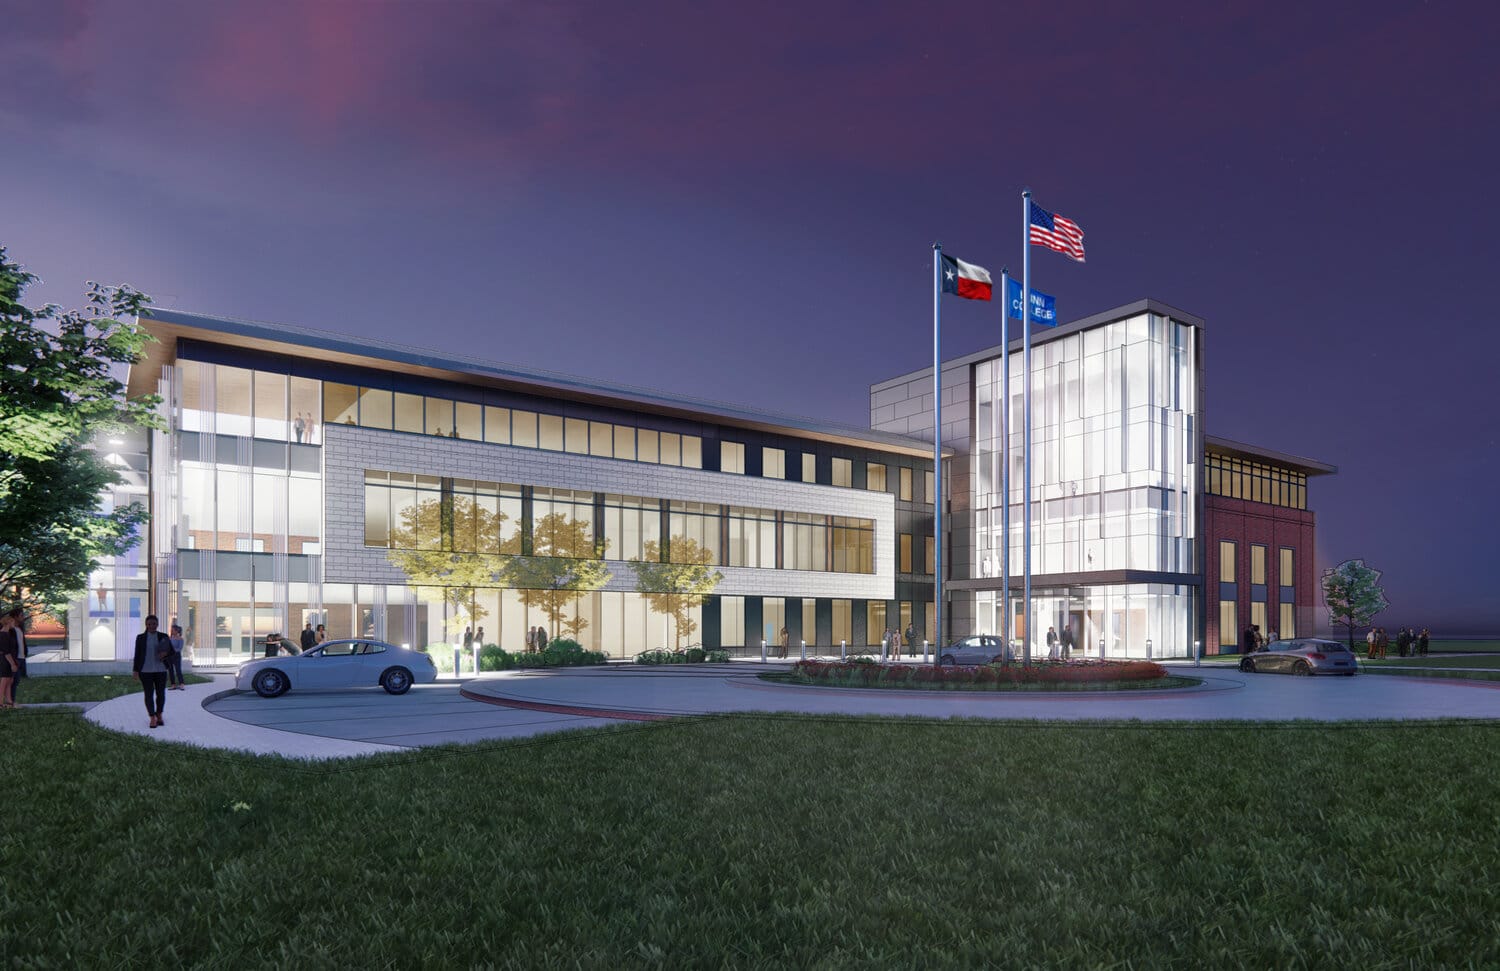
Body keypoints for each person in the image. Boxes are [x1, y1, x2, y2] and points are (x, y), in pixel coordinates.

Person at [132, 614, 172, 728]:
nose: (151, 626)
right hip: (145, 671)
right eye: (149, 624)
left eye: (154, 624)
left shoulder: (163, 636)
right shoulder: (140, 638)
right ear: (146, 625)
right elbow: (137, 655)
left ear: (157, 624)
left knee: (161, 694)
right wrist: (135, 670)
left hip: (161, 670)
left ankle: (159, 714)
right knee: (148, 694)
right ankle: (152, 717)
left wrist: (166, 655)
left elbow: (171, 652)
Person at [6, 607, 27, 703]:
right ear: (15, 617)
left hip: (21, 658)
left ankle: (11, 701)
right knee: (12, 681)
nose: (23, 617)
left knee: (16, 681)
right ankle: (10, 702)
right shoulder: (10, 629)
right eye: (21, 615)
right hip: (15, 658)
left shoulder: (20, 628)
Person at [0, 613, 19, 709]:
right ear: (8, 622)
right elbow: (6, 651)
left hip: (11, 659)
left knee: (9, 681)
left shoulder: (7, 633)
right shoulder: (2, 634)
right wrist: (12, 664)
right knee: (4, 681)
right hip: (6, 661)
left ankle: (9, 701)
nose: (14, 623)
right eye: (12, 622)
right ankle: (0, 703)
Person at [166, 622, 186, 690]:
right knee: (170, 670)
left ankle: (181, 684)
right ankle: (173, 685)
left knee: (178, 670)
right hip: (169, 656)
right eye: (171, 630)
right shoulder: (170, 638)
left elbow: (179, 648)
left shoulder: (180, 639)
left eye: (173, 630)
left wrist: (172, 650)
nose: (171, 631)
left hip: (176, 656)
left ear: (177, 631)